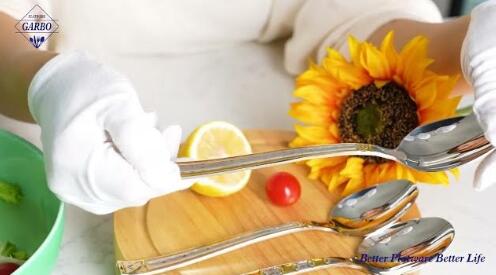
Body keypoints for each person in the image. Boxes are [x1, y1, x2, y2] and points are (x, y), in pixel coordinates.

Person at [0, 0, 495, 214]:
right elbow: (24, 17)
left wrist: (464, 42)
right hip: (54, 57)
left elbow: (351, 13)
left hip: (256, 85)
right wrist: (39, 75)